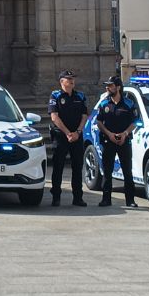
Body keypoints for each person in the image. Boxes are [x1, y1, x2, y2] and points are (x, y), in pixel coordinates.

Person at [95, 75, 138, 208]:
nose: (107, 87)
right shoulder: (104, 103)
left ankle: (130, 200)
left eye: (110, 85)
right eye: (107, 85)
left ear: (118, 87)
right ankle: (106, 199)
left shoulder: (129, 103)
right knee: (107, 172)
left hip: (124, 141)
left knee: (127, 171)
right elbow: (99, 121)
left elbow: (135, 122)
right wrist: (109, 134)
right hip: (108, 140)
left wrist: (125, 134)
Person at [47, 70, 88, 207]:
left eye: (73, 78)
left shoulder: (80, 96)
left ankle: (78, 197)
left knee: (77, 167)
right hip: (61, 136)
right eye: (68, 79)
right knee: (58, 167)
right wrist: (67, 133)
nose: (71, 81)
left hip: (76, 135)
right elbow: (54, 117)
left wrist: (77, 132)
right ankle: (56, 197)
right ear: (61, 81)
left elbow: (84, 115)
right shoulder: (56, 95)